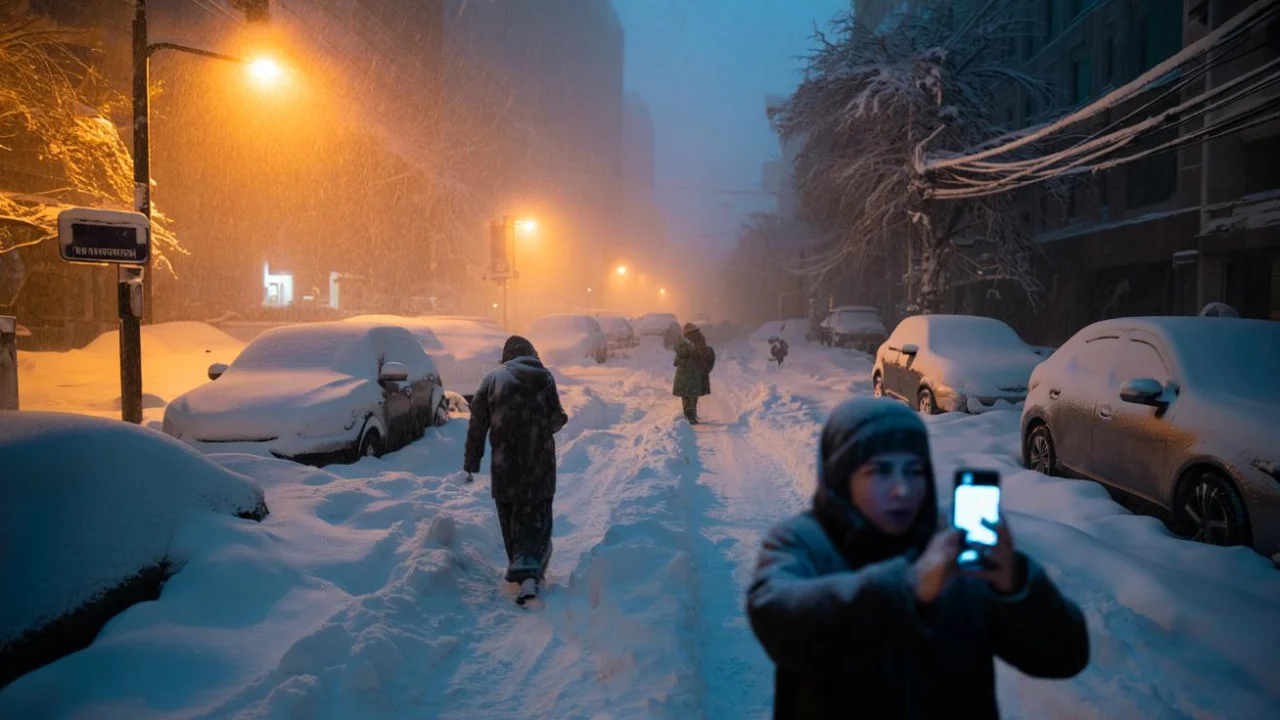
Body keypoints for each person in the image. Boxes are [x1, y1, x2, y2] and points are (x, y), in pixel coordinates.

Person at [746, 398, 1089, 719]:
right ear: (840, 478)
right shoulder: (803, 542)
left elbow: (1065, 656)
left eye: (913, 471)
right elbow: (777, 616)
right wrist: (906, 589)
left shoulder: (952, 545)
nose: (903, 490)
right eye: (879, 471)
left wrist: (1013, 583)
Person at [464, 336, 569, 604]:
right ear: (532, 353)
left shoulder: (491, 380)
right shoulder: (544, 378)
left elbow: (477, 425)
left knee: (511, 519)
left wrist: (471, 462)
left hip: (506, 466)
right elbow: (555, 418)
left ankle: (522, 571)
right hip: (540, 465)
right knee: (537, 518)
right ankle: (531, 573)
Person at [673, 322, 715, 424]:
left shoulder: (681, 341)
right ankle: (692, 415)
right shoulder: (700, 338)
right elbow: (706, 354)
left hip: (682, 371)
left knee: (685, 394)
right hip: (696, 370)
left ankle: (687, 414)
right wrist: (706, 369)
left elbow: (677, 357)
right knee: (693, 393)